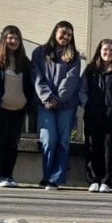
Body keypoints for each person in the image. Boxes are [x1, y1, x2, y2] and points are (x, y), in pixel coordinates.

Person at [0, 25, 34, 188]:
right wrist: (0, 94)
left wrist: (26, 100)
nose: (13, 41)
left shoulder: (24, 61)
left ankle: (8, 176)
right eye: (10, 37)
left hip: (18, 108)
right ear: (4, 38)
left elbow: (30, 83)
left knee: (12, 142)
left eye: (16, 38)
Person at [32, 20, 81, 190]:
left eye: (69, 35)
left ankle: (56, 178)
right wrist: (47, 97)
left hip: (66, 105)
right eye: (63, 33)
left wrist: (57, 99)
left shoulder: (74, 56)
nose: (66, 37)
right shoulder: (39, 52)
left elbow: (72, 80)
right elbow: (37, 77)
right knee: (48, 139)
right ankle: (46, 176)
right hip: (45, 104)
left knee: (62, 140)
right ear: (55, 32)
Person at [79, 39, 112, 193]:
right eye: (105, 50)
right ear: (99, 51)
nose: (108, 53)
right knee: (93, 147)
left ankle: (107, 180)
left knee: (111, 150)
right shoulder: (90, 69)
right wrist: (86, 104)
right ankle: (93, 179)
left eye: (111, 50)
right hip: (93, 115)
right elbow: (82, 90)